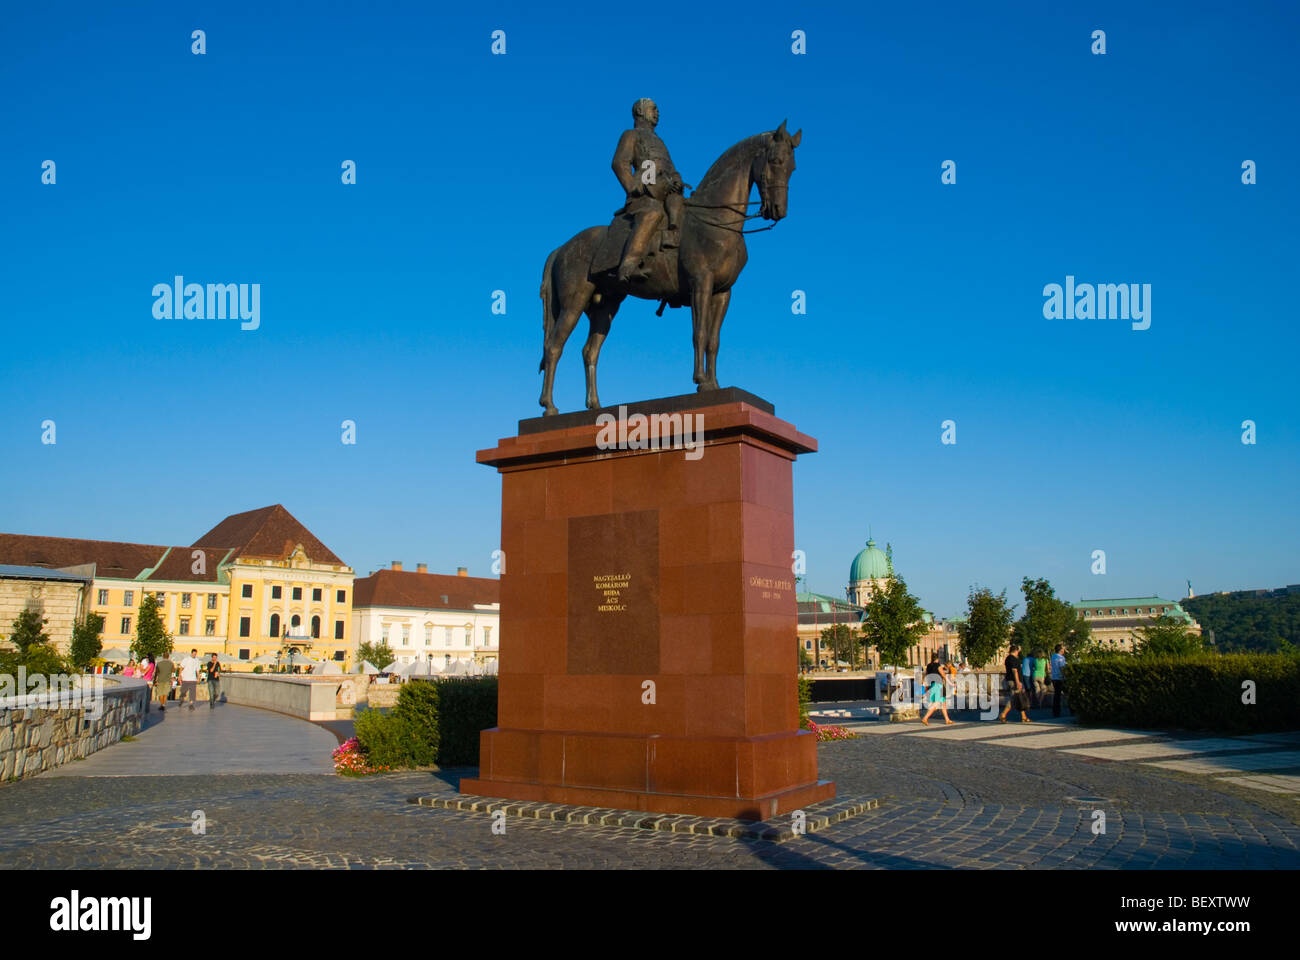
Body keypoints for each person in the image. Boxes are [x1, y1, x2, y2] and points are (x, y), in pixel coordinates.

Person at [612, 98, 688, 282]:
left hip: (666, 189)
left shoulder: (660, 141)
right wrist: (632, 187)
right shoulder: (631, 135)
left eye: (657, 110)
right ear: (640, 111)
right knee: (652, 213)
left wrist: (677, 179)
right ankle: (628, 265)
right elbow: (619, 163)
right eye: (654, 109)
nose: (657, 113)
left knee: (685, 210)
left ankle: (673, 242)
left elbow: (670, 166)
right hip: (644, 194)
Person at [999, 643, 1032, 723]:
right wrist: (1018, 682)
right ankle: (1003, 714)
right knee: (1014, 698)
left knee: (1019, 698)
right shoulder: (1013, 659)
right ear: (1016, 650)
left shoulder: (1008, 658)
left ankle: (1024, 716)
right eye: (1018, 651)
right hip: (1014, 681)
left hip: (1012, 680)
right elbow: (1014, 671)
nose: (1018, 653)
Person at [920, 653, 955, 726]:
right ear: (938, 659)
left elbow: (926, 675)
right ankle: (925, 718)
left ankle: (947, 719)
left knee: (943, 703)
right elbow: (943, 675)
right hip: (938, 685)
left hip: (932, 685)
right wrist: (951, 683)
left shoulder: (929, 666)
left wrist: (926, 685)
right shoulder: (938, 666)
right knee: (936, 703)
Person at [1050, 644, 1067, 717]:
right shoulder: (1061, 658)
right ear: (1061, 650)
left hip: (1054, 677)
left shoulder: (1053, 656)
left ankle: (1056, 712)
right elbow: (1062, 668)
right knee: (1067, 693)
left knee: (1057, 695)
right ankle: (1073, 710)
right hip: (1060, 678)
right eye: (1063, 649)